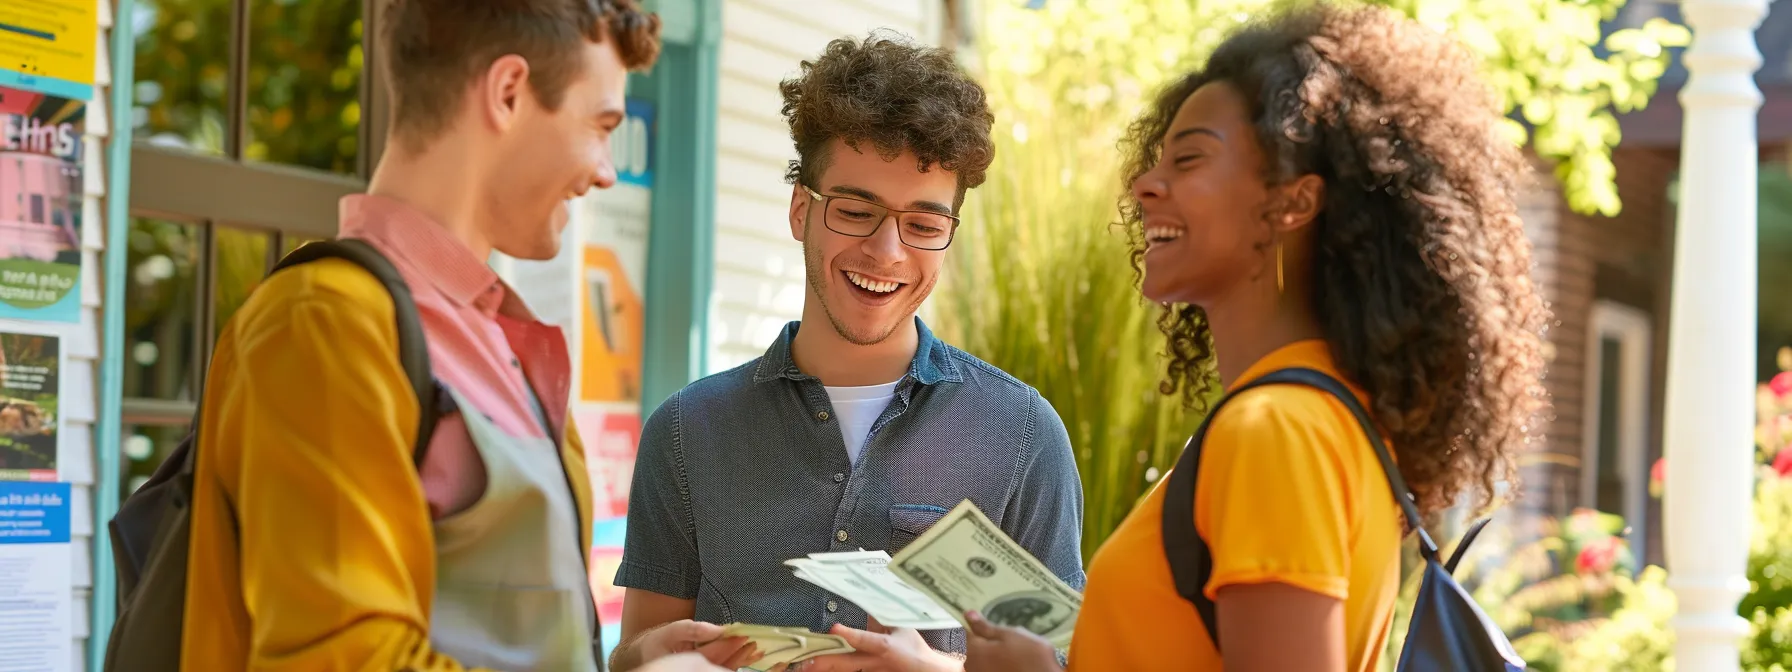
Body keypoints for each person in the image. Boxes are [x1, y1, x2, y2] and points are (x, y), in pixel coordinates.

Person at [963, 4, 1548, 671]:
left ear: (1294, 202)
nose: (1144, 185)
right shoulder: (1328, 419)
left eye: (1189, 160)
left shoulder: (1278, 431)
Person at [177, 1, 688, 670]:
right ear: (508, 93)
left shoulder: (494, 335)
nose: (605, 170)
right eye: (601, 126)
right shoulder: (328, 322)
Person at [608, 31, 1088, 672]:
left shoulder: (1023, 433)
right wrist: (641, 658)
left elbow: (1062, 663)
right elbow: (640, 652)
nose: (887, 252)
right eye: (857, 210)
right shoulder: (685, 431)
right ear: (800, 210)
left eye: (922, 224)